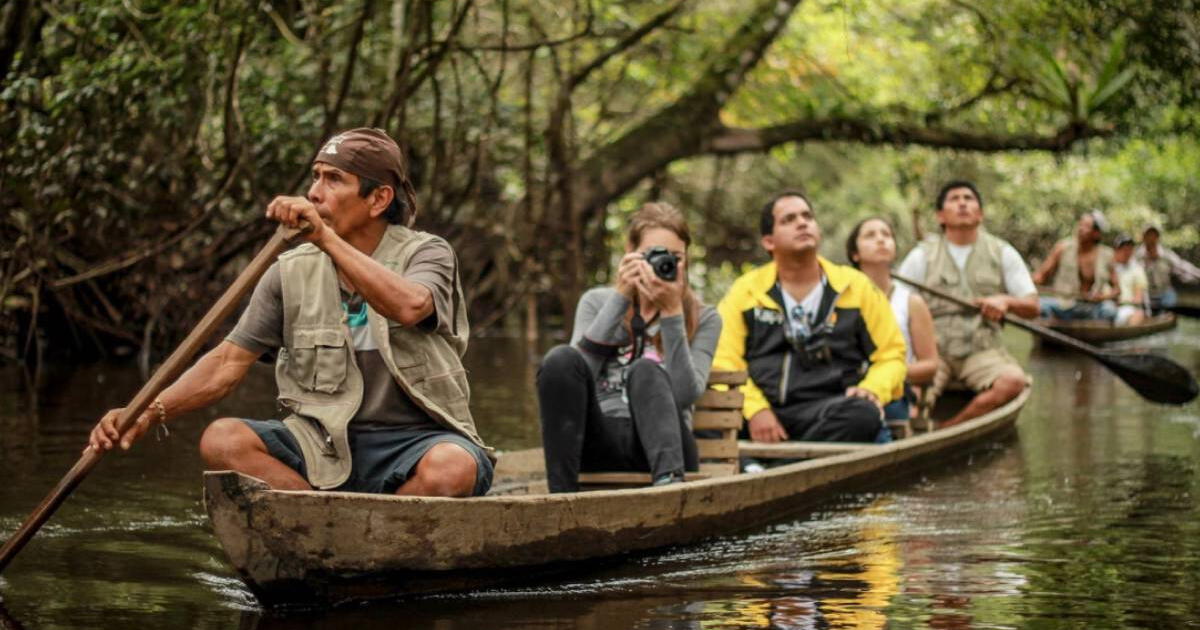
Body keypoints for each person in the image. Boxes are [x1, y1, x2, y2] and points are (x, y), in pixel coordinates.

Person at [88, 128, 494, 497]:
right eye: (315, 176)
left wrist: (325, 238)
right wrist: (147, 411)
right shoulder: (289, 271)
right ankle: (322, 521)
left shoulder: (427, 252)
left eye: (334, 179)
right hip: (322, 443)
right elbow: (226, 364)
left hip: (417, 440)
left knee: (452, 469)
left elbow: (410, 306)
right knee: (221, 440)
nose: (315, 192)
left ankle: (366, 528)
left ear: (378, 199)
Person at [537, 202, 722, 492]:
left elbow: (685, 394)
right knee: (559, 358)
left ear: (687, 259)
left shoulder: (705, 317)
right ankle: (561, 499)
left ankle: (669, 492)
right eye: (653, 256)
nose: (663, 264)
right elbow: (573, 377)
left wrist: (672, 312)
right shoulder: (596, 302)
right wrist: (621, 297)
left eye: (675, 257)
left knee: (645, 370)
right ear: (630, 253)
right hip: (600, 441)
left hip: (667, 446)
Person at [713, 192, 906, 446]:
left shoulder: (855, 286)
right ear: (769, 242)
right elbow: (724, 361)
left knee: (863, 414)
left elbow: (892, 356)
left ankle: (766, 468)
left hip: (830, 410)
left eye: (807, 216)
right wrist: (756, 410)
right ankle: (770, 464)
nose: (802, 223)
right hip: (763, 413)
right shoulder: (745, 291)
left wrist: (872, 390)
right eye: (789, 219)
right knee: (699, 417)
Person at [895, 180, 1038, 427]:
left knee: (1014, 382)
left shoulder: (1001, 252)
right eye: (954, 199)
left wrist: (1005, 301)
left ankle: (949, 429)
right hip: (933, 351)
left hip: (983, 350)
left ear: (980, 214)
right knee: (900, 388)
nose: (962, 203)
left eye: (968, 198)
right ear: (940, 216)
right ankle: (913, 426)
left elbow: (1033, 307)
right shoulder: (922, 255)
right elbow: (896, 306)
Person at [846, 217, 939, 431]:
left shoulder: (911, 301)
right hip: (849, 387)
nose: (880, 240)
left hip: (894, 390)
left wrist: (887, 374)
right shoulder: (842, 296)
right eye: (870, 235)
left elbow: (930, 364)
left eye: (886, 235)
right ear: (855, 254)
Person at [1032, 211, 1118, 321]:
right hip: (1064, 304)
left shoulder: (1107, 255)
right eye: (1080, 224)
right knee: (1039, 305)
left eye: (1086, 226)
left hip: (1093, 307)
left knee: (1109, 310)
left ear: (1096, 233)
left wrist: (1102, 297)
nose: (1081, 229)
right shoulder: (1063, 248)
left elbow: (1117, 289)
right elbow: (1041, 276)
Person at [1135, 225, 1200, 311]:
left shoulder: (1166, 255)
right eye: (1148, 235)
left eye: (1154, 235)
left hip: (1165, 292)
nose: (1151, 238)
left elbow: (1183, 266)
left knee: (1169, 305)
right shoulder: (1137, 256)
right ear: (1143, 237)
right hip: (1145, 294)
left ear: (1157, 238)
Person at [1111, 234, 1149, 326]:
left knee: (1138, 314)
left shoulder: (1137, 269)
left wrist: (1125, 303)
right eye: (1124, 249)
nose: (1127, 252)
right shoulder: (1109, 266)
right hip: (1108, 307)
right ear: (1116, 250)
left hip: (1129, 308)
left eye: (1130, 249)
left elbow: (1138, 297)